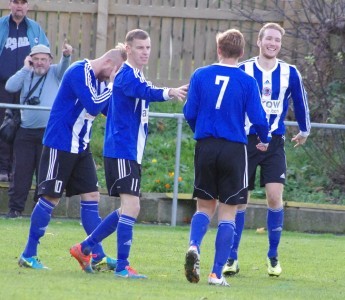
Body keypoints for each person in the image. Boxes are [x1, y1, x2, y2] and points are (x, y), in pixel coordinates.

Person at [69, 29, 188, 278]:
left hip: (129, 151)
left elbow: (143, 89)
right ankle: (122, 267)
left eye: (148, 47)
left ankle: (84, 247)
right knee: (131, 207)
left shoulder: (135, 75)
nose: (145, 52)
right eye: (140, 48)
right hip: (122, 149)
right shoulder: (125, 75)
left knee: (127, 209)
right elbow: (145, 91)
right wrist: (170, 92)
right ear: (129, 49)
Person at [18, 44, 127, 270]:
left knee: (91, 196)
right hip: (60, 143)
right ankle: (29, 254)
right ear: (109, 64)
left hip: (80, 147)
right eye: (116, 72)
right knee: (50, 198)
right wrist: (113, 85)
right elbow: (94, 106)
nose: (114, 77)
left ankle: (96, 255)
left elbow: (109, 109)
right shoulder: (79, 71)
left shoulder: (102, 80)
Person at [183, 28, 271, 287]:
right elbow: (258, 118)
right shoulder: (246, 81)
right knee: (228, 213)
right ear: (242, 53)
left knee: (204, 207)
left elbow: (190, 112)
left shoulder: (200, 75)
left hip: (206, 146)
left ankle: (194, 246)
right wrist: (264, 139)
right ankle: (215, 273)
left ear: (218, 49)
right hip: (234, 149)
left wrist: (200, 132)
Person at [222, 23, 311, 278]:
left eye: (277, 40)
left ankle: (273, 256)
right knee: (240, 201)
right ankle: (232, 257)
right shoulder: (244, 69)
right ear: (259, 41)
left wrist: (304, 130)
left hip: (274, 142)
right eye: (268, 39)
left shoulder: (289, 72)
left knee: (274, 196)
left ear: (280, 44)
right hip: (246, 142)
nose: (273, 43)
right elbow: (229, 100)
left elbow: (300, 100)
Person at [4, 41, 72, 219]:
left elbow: (65, 67)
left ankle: (40, 209)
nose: (40, 62)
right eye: (36, 59)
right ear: (30, 60)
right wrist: (26, 68)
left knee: (45, 172)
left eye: (44, 59)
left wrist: (66, 56)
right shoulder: (26, 73)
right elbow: (10, 86)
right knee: (21, 172)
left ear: (50, 60)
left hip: (48, 132)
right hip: (25, 132)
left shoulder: (56, 72)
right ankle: (15, 209)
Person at [0, 0, 49, 182]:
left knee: (20, 128)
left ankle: (15, 170)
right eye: (15, 2)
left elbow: (45, 55)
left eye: (23, 2)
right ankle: (2, 168)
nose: (19, 6)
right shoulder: (2, 26)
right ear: (10, 4)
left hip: (27, 87)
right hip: (3, 85)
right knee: (3, 127)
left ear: (27, 6)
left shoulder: (35, 29)